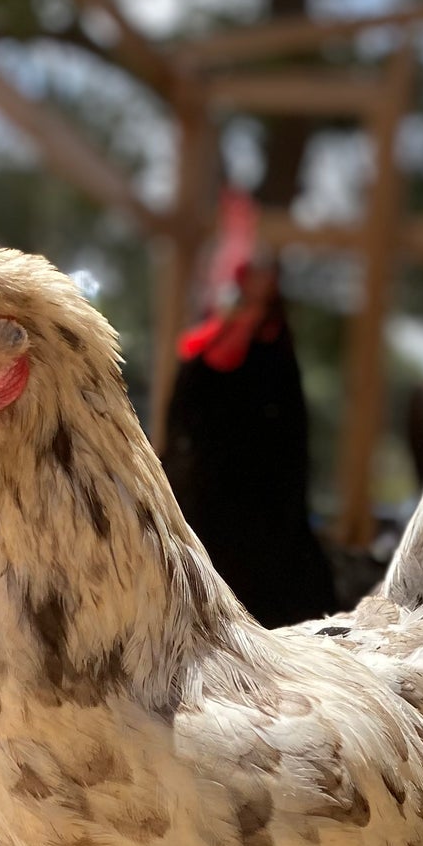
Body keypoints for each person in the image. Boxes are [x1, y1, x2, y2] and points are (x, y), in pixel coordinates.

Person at [162, 257, 337, 629]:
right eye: (242, 295)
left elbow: (288, 455)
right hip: (204, 512)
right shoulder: (203, 355)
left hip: (265, 528)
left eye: (258, 300)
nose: (247, 307)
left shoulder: (273, 360)